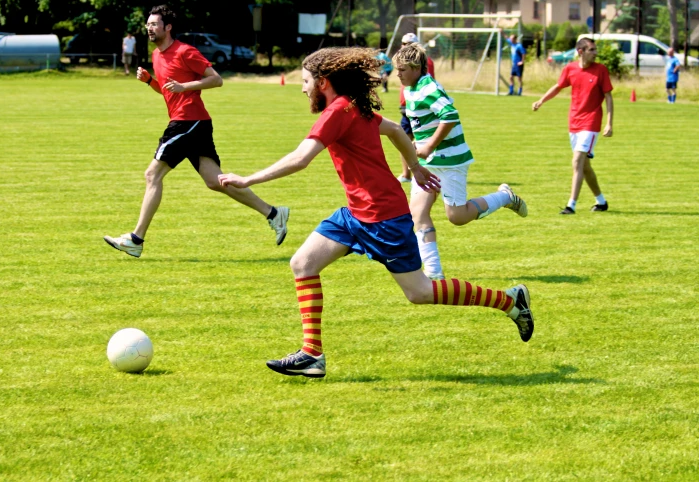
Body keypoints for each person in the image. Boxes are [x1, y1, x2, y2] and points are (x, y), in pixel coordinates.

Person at [218, 47, 534, 378]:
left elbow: (301, 158)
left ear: (323, 82)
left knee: (420, 292)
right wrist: (415, 167)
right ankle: (312, 355)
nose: (302, 88)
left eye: (306, 81)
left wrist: (249, 178)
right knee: (302, 263)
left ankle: (510, 301)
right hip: (356, 215)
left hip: (383, 217)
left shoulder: (338, 112)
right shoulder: (354, 107)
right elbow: (397, 129)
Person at [104, 5, 289, 258]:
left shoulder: (184, 51)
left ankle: (136, 239)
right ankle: (273, 213)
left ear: (168, 27)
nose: (149, 27)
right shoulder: (157, 56)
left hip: (187, 122)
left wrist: (185, 85)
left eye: (154, 24)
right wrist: (150, 82)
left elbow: (216, 79)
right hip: (194, 123)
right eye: (148, 24)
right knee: (215, 181)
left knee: (152, 175)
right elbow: (169, 91)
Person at [393, 43, 527, 280]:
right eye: (397, 70)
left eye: (402, 69)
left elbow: (450, 116)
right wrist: (419, 144)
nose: (398, 74)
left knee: (457, 217)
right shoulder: (411, 88)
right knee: (418, 213)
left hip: (450, 159)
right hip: (429, 162)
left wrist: (429, 145)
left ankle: (505, 196)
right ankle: (434, 274)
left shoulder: (428, 87)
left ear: (416, 68)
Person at [532, 38, 613, 215]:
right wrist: (541, 101)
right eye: (592, 49)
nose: (595, 53)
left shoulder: (601, 70)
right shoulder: (570, 69)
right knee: (584, 166)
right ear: (581, 51)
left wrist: (609, 123)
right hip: (574, 123)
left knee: (576, 161)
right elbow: (558, 86)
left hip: (591, 123)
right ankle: (601, 201)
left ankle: (571, 205)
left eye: (595, 49)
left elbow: (608, 96)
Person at [397, 32, 435, 183]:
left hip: (418, 107)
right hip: (405, 106)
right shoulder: (401, 61)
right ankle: (406, 174)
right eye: (404, 44)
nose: (406, 47)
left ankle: (421, 172)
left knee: (415, 140)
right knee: (404, 140)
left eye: (410, 44)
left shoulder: (425, 61)